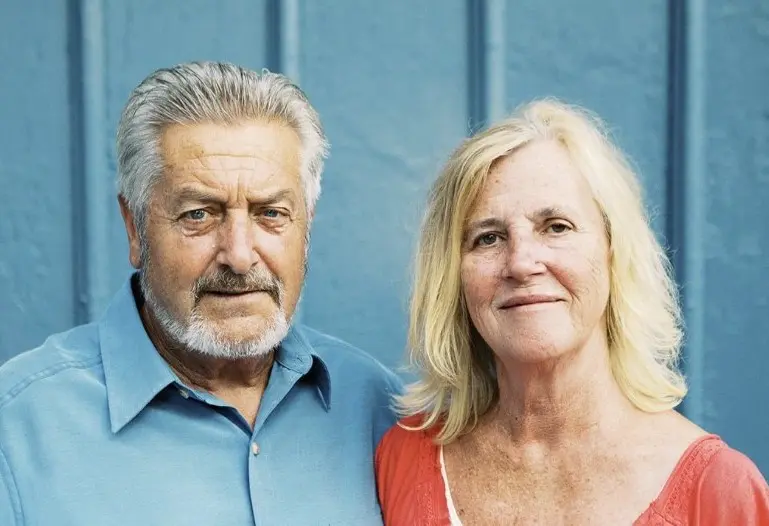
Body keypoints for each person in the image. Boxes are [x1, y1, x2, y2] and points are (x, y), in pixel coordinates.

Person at [0, 61, 402, 525]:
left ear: (306, 226)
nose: (239, 255)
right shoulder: (18, 429)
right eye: (199, 214)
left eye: (271, 213)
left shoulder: (379, 410)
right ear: (135, 229)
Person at [375, 99, 769, 525]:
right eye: (488, 238)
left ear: (613, 250)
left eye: (556, 227)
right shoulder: (403, 459)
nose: (521, 263)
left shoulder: (718, 492)